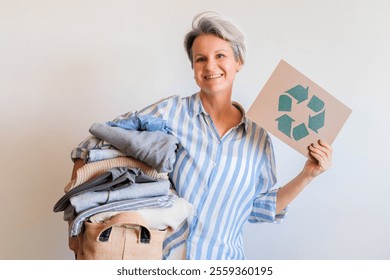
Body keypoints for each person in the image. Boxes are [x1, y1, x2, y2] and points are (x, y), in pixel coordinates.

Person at [70, 11, 332, 260]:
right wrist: (78, 215)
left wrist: (307, 174)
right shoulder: (169, 113)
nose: (211, 66)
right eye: (201, 58)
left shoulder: (258, 137)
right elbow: (94, 142)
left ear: (238, 62)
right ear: (193, 66)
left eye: (220, 56)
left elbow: (260, 207)